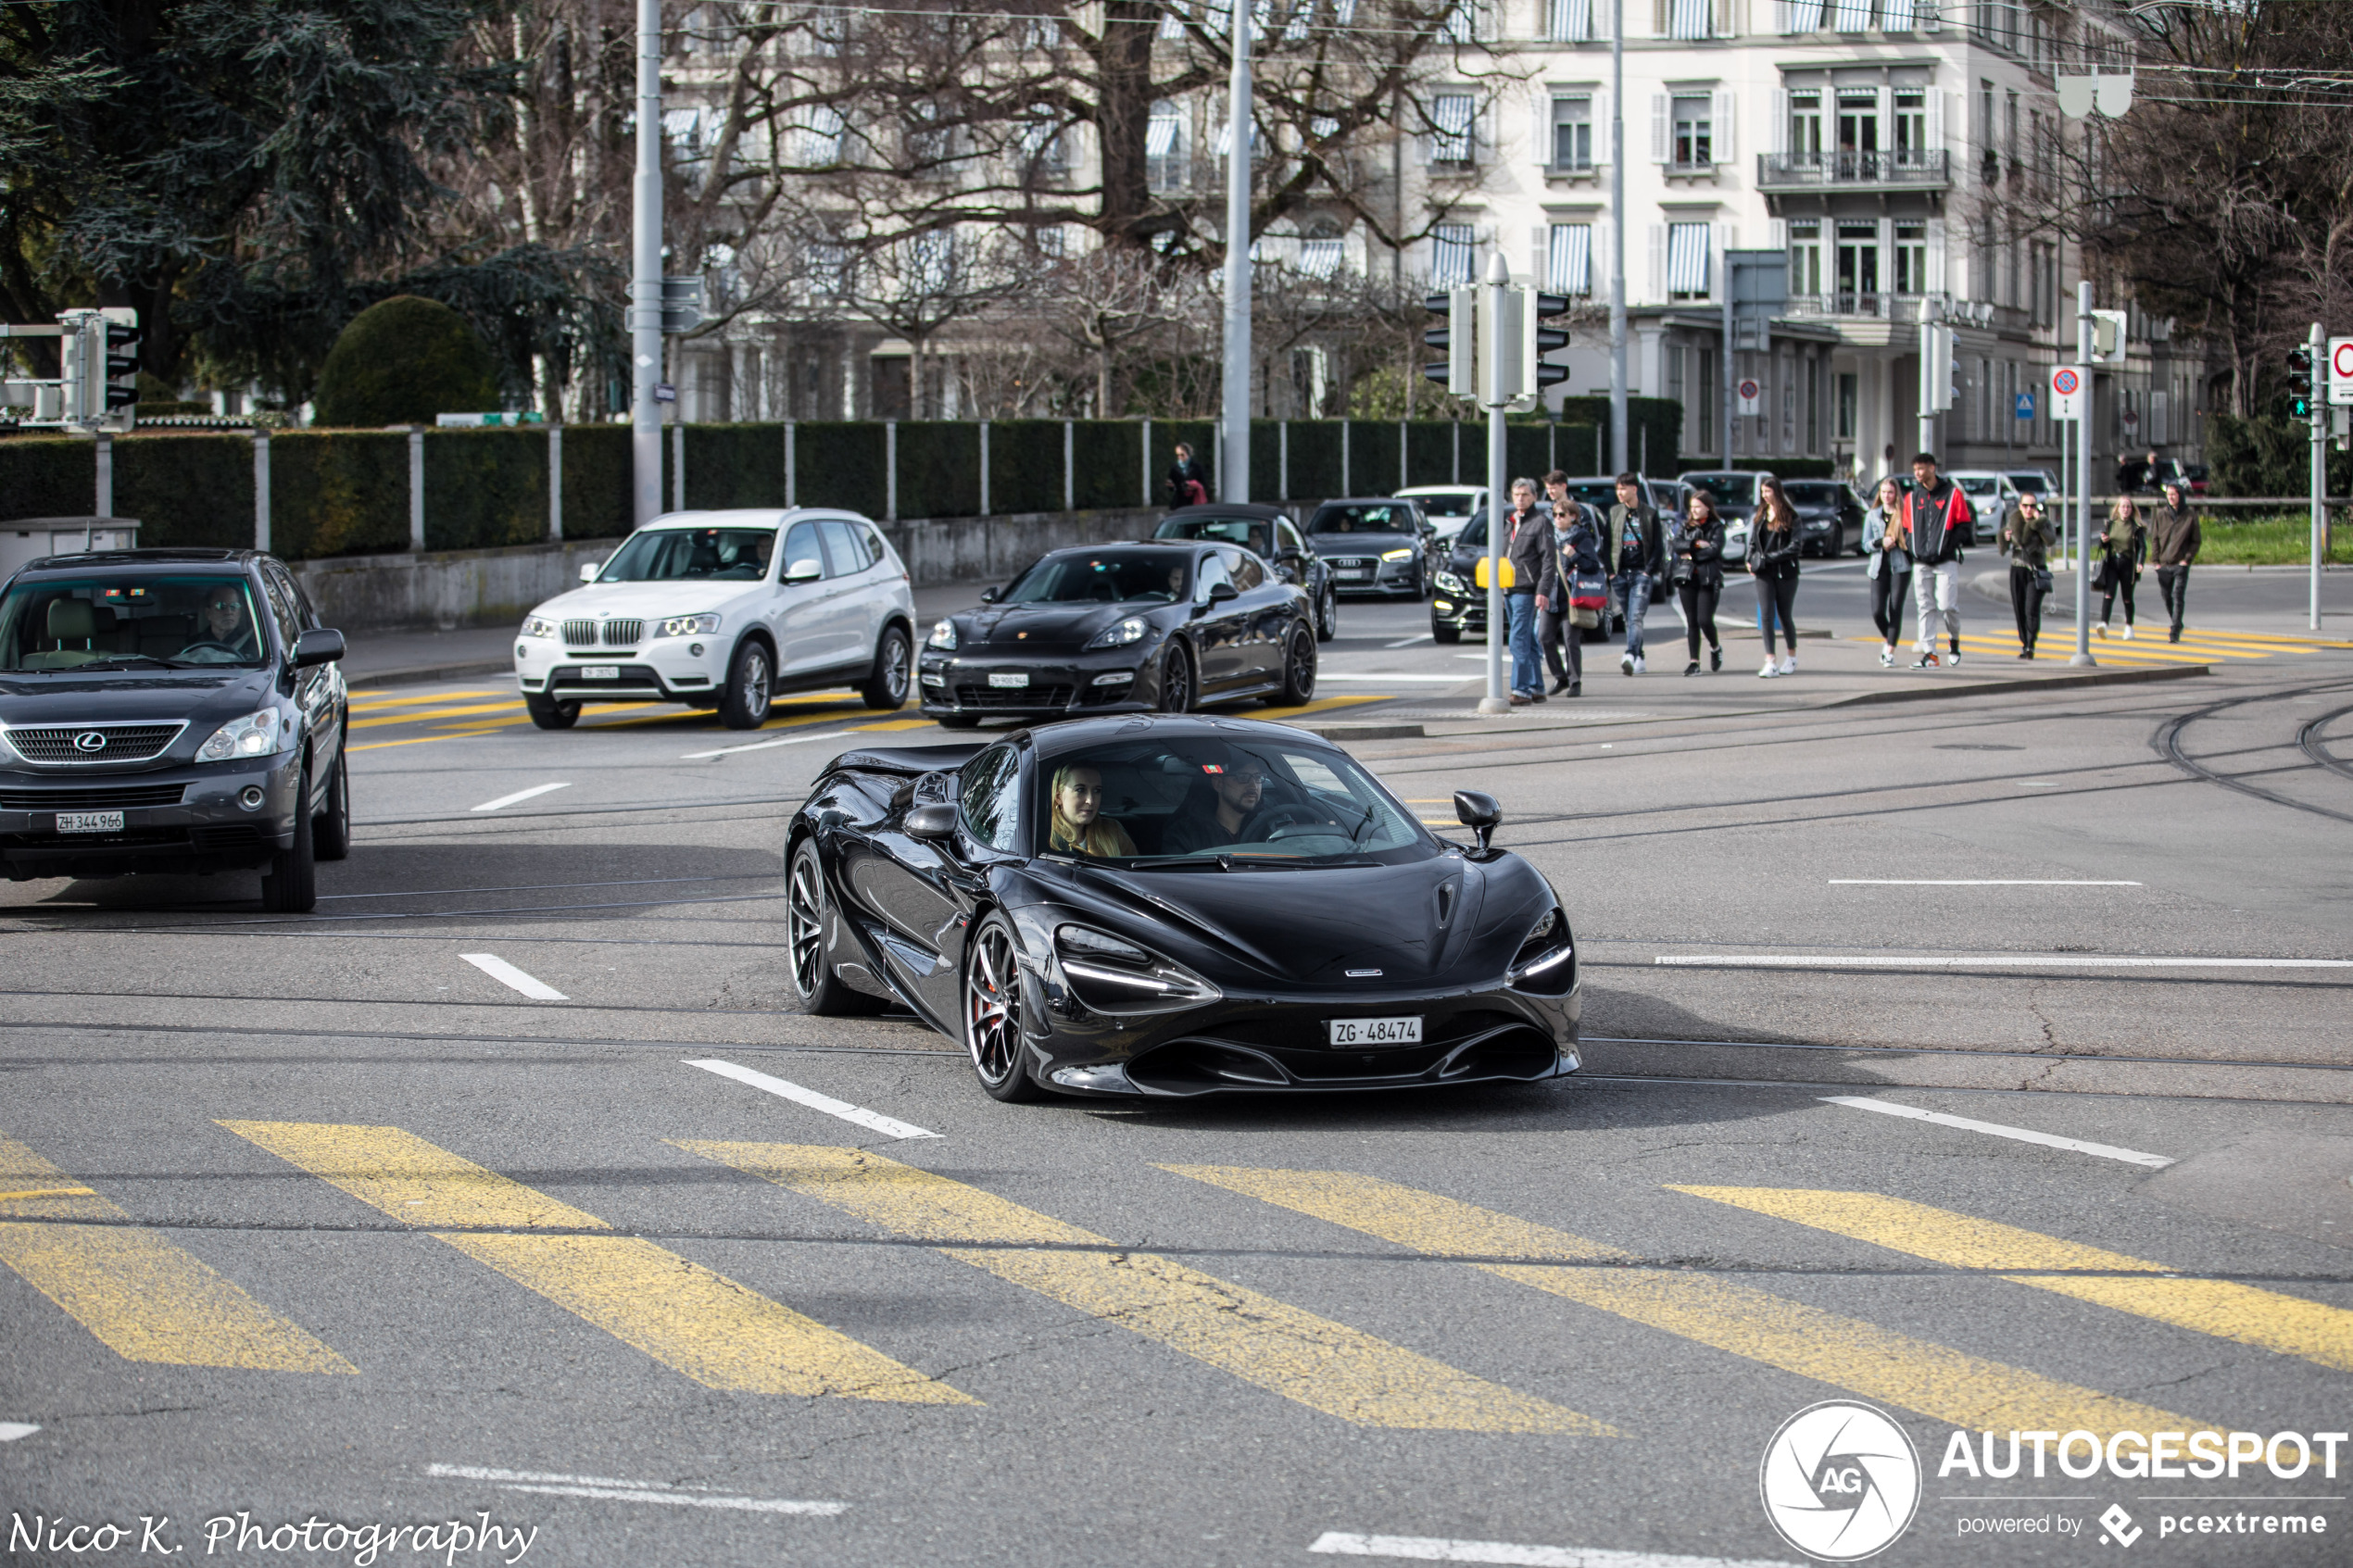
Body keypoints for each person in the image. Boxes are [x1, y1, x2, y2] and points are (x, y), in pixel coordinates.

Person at [1903, 450, 1974, 669]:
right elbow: (1907, 527)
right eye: (1915, 470)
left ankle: (1954, 642)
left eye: (1921, 469)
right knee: (1924, 607)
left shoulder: (1952, 494)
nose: (1917, 473)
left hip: (1945, 560)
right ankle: (1930, 654)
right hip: (1921, 562)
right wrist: (1911, 548)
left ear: (1932, 469)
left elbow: (1964, 525)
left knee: (1947, 606)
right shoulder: (1913, 497)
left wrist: (1949, 545)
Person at [1539, 489, 1602, 697]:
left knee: (1570, 641)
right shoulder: (1549, 538)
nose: (1557, 519)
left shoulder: (1582, 538)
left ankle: (1575, 681)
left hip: (1572, 596)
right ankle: (1560, 677)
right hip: (1551, 595)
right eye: (1555, 515)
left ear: (1573, 517)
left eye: (1562, 515)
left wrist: (1574, 556)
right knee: (1545, 637)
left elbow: (1592, 566)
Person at [1604, 471, 1666, 675]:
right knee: (1628, 618)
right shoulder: (1614, 513)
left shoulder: (1649, 513)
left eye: (1623, 488)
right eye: (1618, 488)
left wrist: (1649, 571)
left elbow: (1658, 546)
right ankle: (1640, 657)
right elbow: (1607, 544)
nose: (1619, 493)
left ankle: (1630, 653)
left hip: (1641, 573)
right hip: (1620, 573)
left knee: (1636, 616)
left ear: (1634, 489)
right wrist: (1611, 572)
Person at [1161, 748, 1272, 856]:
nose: (1253, 786)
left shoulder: (1270, 826)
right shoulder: (1186, 834)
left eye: (1258, 777)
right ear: (1218, 784)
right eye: (1242, 777)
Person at [1502, 478, 1552, 705]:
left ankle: (1520, 689)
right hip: (1508, 587)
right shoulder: (1510, 521)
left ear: (1534, 497)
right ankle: (1536, 686)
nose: (1520, 499)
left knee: (1518, 639)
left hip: (1526, 588)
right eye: (1516, 494)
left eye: (1525, 495)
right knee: (1527, 639)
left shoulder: (1540, 523)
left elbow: (1549, 560)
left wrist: (1543, 590)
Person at [1749, 477, 1802, 678]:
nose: (1764, 496)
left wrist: (1769, 558)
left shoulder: (1791, 517)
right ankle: (1770, 660)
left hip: (1785, 572)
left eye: (1768, 492)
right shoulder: (1761, 515)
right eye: (1763, 492)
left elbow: (1795, 547)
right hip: (1764, 572)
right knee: (1766, 615)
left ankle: (1791, 656)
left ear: (1777, 493)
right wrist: (1749, 558)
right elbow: (1754, 541)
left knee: (1784, 615)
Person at [1672, 489, 1726, 676]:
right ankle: (1694, 661)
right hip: (1687, 577)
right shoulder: (1686, 527)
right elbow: (1677, 545)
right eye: (1692, 507)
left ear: (1708, 508)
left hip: (1708, 579)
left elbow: (1714, 550)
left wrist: (1691, 554)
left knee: (1704, 619)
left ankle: (1715, 647)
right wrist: (1696, 545)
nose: (1694, 511)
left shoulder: (1716, 527)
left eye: (1698, 507)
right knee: (1692, 621)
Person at [1998, 493, 2058, 659]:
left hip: (2035, 570)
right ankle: (2024, 643)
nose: (2028, 509)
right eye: (2025, 506)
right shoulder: (2013, 520)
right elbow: (2003, 543)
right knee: (2019, 608)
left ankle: (2031, 644)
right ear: (2020, 506)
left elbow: (2051, 541)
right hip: (2017, 569)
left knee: (2031, 608)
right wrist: (2005, 537)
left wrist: (2038, 525)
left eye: (2032, 506)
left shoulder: (2042, 522)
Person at [1864, 477, 1911, 666]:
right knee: (1877, 611)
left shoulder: (1903, 514)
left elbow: (1910, 539)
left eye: (1890, 492)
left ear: (1896, 494)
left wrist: (1898, 542)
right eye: (1883, 492)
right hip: (1878, 568)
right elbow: (1865, 544)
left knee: (1895, 609)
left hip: (1900, 567)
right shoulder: (1873, 515)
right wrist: (1880, 542)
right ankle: (1889, 637)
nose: (1886, 496)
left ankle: (1889, 651)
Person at [1046, 763, 1138, 857]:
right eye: (1080, 790)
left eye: (1097, 791)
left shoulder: (1112, 831)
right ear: (1058, 797)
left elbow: (1134, 869)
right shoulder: (1044, 837)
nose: (1090, 800)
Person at [2149, 478, 2200, 643]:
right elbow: (2155, 538)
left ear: (2180, 495)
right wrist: (2156, 561)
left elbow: (2196, 540)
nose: (2171, 497)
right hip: (2163, 564)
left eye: (2174, 494)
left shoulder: (2190, 515)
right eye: (2168, 494)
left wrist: (2187, 559)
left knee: (2178, 595)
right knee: (2167, 596)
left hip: (2180, 564)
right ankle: (2176, 621)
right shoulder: (2161, 514)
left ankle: (2175, 630)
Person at [2095, 493, 2145, 640]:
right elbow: (2103, 546)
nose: (2125, 509)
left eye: (2128, 507)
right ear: (2117, 509)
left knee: (2127, 597)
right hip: (2112, 563)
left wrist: (2140, 562)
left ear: (2132, 509)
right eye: (2123, 506)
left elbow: (2142, 547)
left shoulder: (2136, 527)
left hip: (2128, 564)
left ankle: (2129, 626)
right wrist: (2103, 541)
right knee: (2108, 594)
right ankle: (2104, 624)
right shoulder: (2111, 524)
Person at [195, 583, 260, 658]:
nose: (229, 612)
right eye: (221, 606)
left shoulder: (255, 647)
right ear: (208, 613)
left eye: (234, 606)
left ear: (239, 613)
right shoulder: (192, 644)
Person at [1165, 443, 1208, 508]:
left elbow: (1204, 484)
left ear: (1188, 454)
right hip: (1179, 502)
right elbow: (1171, 484)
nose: (1180, 457)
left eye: (1182, 455)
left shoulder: (1197, 467)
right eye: (1178, 455)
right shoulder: (1174, 468)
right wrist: (1172, 486)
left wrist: (1194, 486)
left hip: (1193, 501)